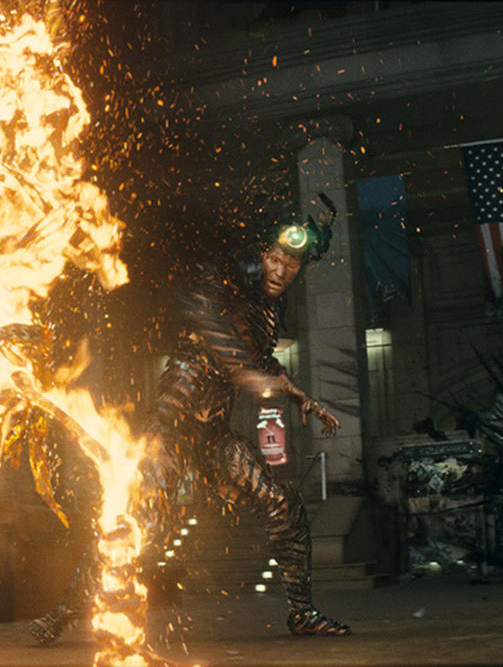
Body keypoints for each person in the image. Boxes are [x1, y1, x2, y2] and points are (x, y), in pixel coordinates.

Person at [31, 214, 353, 642]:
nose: (280, 271)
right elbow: (207, 318)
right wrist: (243, 374)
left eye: (290, 265)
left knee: (284, 506)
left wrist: (300, 397)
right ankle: (65, 611)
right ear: (260, 257)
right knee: (132, 523)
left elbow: (263, 362)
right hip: (173, 429)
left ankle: (302, 613)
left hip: (214, 435)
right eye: (274, 260)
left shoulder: (271, 307)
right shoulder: (227, 282)